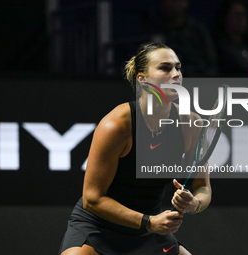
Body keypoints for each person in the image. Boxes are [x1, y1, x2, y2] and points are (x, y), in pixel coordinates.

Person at [59, 42, 212, 255]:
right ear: (143, 79)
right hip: (100, 228)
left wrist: (194, 203)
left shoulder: (191, 125)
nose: (176, 74)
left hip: (151, 230)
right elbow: (92, 199)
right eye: (165, 68)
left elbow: (203, 187)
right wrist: (148, 222)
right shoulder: (117, 125)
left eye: (178, 67)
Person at [148, 0, 218, 77]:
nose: (168, 4)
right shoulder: (151, 28)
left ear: (185, 2)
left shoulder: (197, 31)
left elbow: (211, 65)